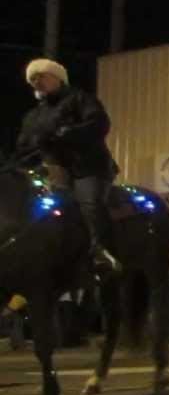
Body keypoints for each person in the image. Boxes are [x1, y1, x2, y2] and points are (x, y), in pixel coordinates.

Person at [16, 58, 121, 274]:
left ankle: (101, 251)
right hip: (51, 170)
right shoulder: (32, 116)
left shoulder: (80, 99)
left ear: (57, 77)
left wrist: (67, 134)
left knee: (89, 203)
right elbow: (23, 147)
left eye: (41, 76)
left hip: (87, 167)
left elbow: (100, 124)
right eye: (32, 79)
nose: (36, 82)